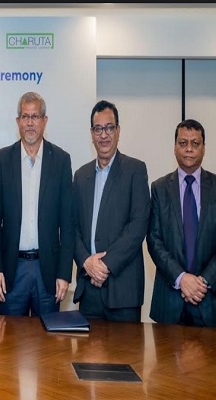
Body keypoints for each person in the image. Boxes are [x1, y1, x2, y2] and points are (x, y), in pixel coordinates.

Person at [0, 92, 74, 317]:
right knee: (8, 336)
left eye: (35, 117)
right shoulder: (3, 159)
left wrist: (64, 273)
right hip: (12, 270)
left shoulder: (61, 161)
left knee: (48, 337)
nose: (29, 123)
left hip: (48, 271)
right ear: (18, 121)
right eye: (25, 117)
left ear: (45, 121)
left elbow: (68, 223)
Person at [147, 119, 216, 327]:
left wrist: (202, 282)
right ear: (174, 147)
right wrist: (181, 279)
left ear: (204, 148)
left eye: (195, 143)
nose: (189, 149)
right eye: (183, 143)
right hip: (169, 302)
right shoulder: (159, 188)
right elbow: (153, 240)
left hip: (211, 300)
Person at [72, 100, 150, 322]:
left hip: (123, 290)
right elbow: (72, 227)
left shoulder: (135, 170)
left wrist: (105, 266)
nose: (104, 135)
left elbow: (138, 226)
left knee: (126, 347)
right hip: (89, 289)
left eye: (109, 128)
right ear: (92, 134)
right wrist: (87, 261)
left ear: (118, 131)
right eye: (98, 129)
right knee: (86, 347)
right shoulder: (81, 176)